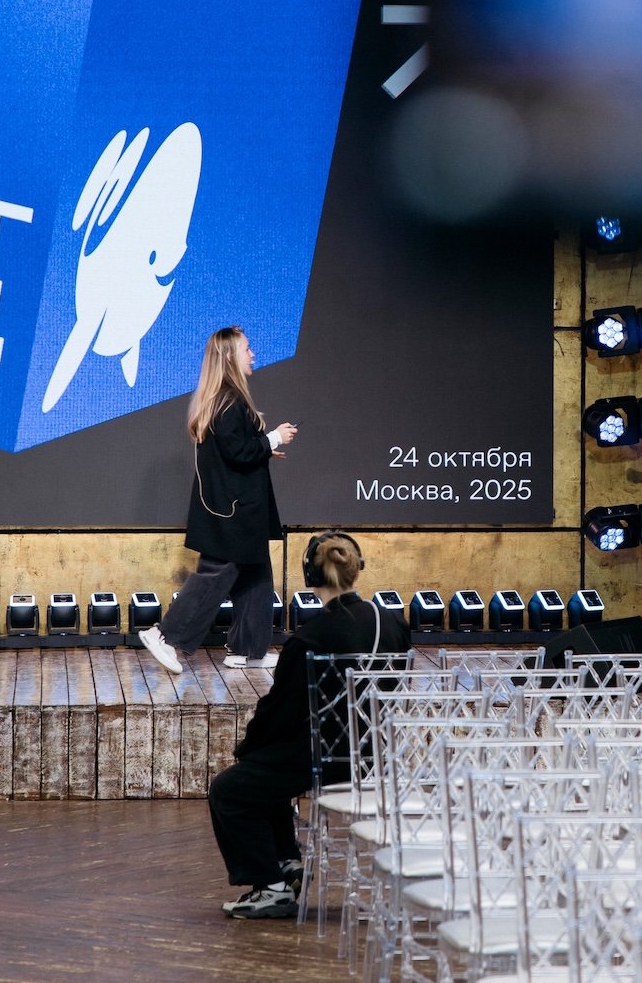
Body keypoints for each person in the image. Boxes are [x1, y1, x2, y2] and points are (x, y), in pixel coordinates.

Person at [207, 529, 411, 919]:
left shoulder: (309, 638)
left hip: (325, 758)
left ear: (311, 576)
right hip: (376, 755)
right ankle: (285, 864)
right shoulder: (392, 624)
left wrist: (249, 747)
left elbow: (281, 711)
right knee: (262, 771)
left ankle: (271, 885)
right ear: (356, 568)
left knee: (230, 789)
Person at [139, 326, 297, 675]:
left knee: (256, 574)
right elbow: (237, 451)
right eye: (247, 349)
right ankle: (165, 635)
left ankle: (248, 650)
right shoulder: (228, 400)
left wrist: (263, 448)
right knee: (217, 573)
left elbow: (233, 449)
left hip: (239, 507)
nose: (253, 355)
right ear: (229, 357)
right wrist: (272, 438)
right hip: (233, 510)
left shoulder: (225, 399)